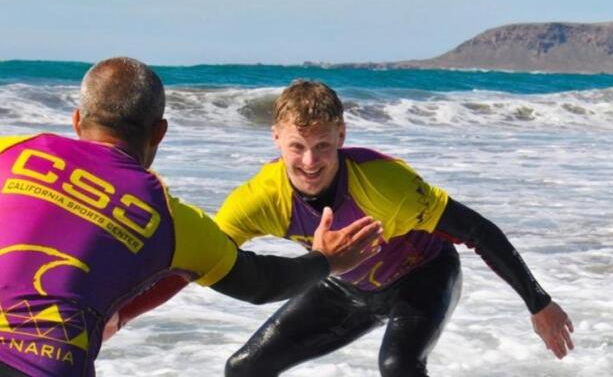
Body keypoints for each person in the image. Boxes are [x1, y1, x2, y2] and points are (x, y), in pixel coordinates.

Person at [0, 60, 383, 377]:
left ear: (77, 119)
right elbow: (261, 284)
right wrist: (325, 260)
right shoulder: (174, 222)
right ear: (160, 133)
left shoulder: (9, 151)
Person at [214, 80, 575, 377]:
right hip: (343, 288)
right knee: (244, 368)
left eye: (322, 146)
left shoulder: (385, 183)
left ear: (341, 135)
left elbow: (477, 231)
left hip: (423, 277)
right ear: (276, 137)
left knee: (398, 366)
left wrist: (538, 302)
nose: (309, 162)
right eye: (297, 147)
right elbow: (206, 255)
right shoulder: (260, 197)